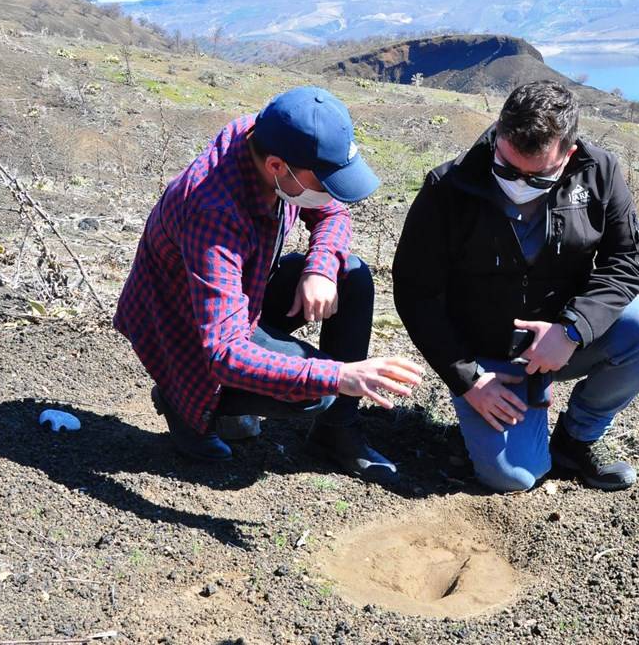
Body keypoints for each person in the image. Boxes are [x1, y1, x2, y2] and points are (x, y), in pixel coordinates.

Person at [114, 86, 422, 485]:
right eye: (324, 180)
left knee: (353, 277)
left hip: (244, 293)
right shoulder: (213, 212)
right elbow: (224, 352)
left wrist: (321, 268)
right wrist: (341, 376)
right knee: (320, 389)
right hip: (185, 331)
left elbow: (333, 213)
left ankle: (335, 434)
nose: (330, 190)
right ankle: (182, 400)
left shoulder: (268, 140)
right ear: (277, 166)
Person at [393, 80, 639, 493]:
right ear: (499, 134)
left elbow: (626, 262)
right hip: (489, 357)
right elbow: (415, 293)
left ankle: (577, 439)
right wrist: (468, 380)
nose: (519, 182)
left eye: (538, 176)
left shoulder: (600, 172)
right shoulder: (449, 188)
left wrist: (572, 329)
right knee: (514, 477)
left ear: (569, 152)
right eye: (507, 169)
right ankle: (517, 421)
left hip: (565, 342)